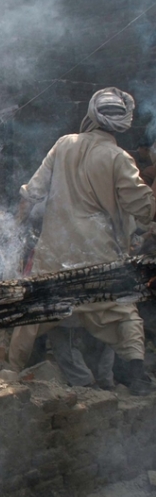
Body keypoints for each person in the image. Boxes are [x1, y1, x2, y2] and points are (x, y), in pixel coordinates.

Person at [9, 87, 154, 395]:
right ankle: (139, 378)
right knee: (122, 313)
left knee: (32, 314)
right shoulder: (119, 158)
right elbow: (143, 208)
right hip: (98, 255)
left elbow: (31, 193)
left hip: (54, 252)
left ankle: (9, 373)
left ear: (91, 113)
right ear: (123, 122)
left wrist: (12, 231)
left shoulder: (63, 144)